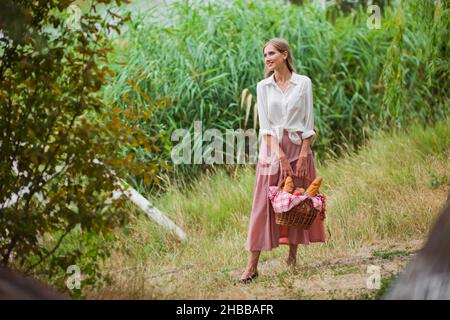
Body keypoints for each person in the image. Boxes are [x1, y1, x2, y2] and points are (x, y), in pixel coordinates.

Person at [239, 38, 326, 283]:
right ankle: (251, 267)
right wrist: (280, 156)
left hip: (299, 147)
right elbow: (265, 126)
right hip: (272, 149)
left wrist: (302, 154)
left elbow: (308, 122)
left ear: (285, 55)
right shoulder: (263, 87)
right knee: (262, 207)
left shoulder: (303, 83)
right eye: (265, 55)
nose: (267, 58)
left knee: (297, 201)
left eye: (271, 54)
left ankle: (292, 258)